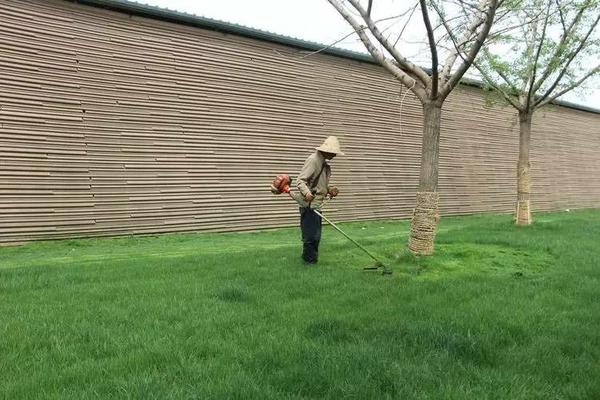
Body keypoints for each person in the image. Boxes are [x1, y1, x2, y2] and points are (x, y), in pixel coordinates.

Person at [296, 136, 344, 264]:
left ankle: (311, 261)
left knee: (316, 236)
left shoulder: (324, 164)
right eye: (334, 153)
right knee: (310, 236)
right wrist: (306, 193)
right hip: (309, 204)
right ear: (327, 151)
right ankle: (308, 262)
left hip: (317, 204)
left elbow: (318, 185)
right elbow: (300, 181)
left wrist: (329, 190)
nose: (334, 155)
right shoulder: (313, 160)